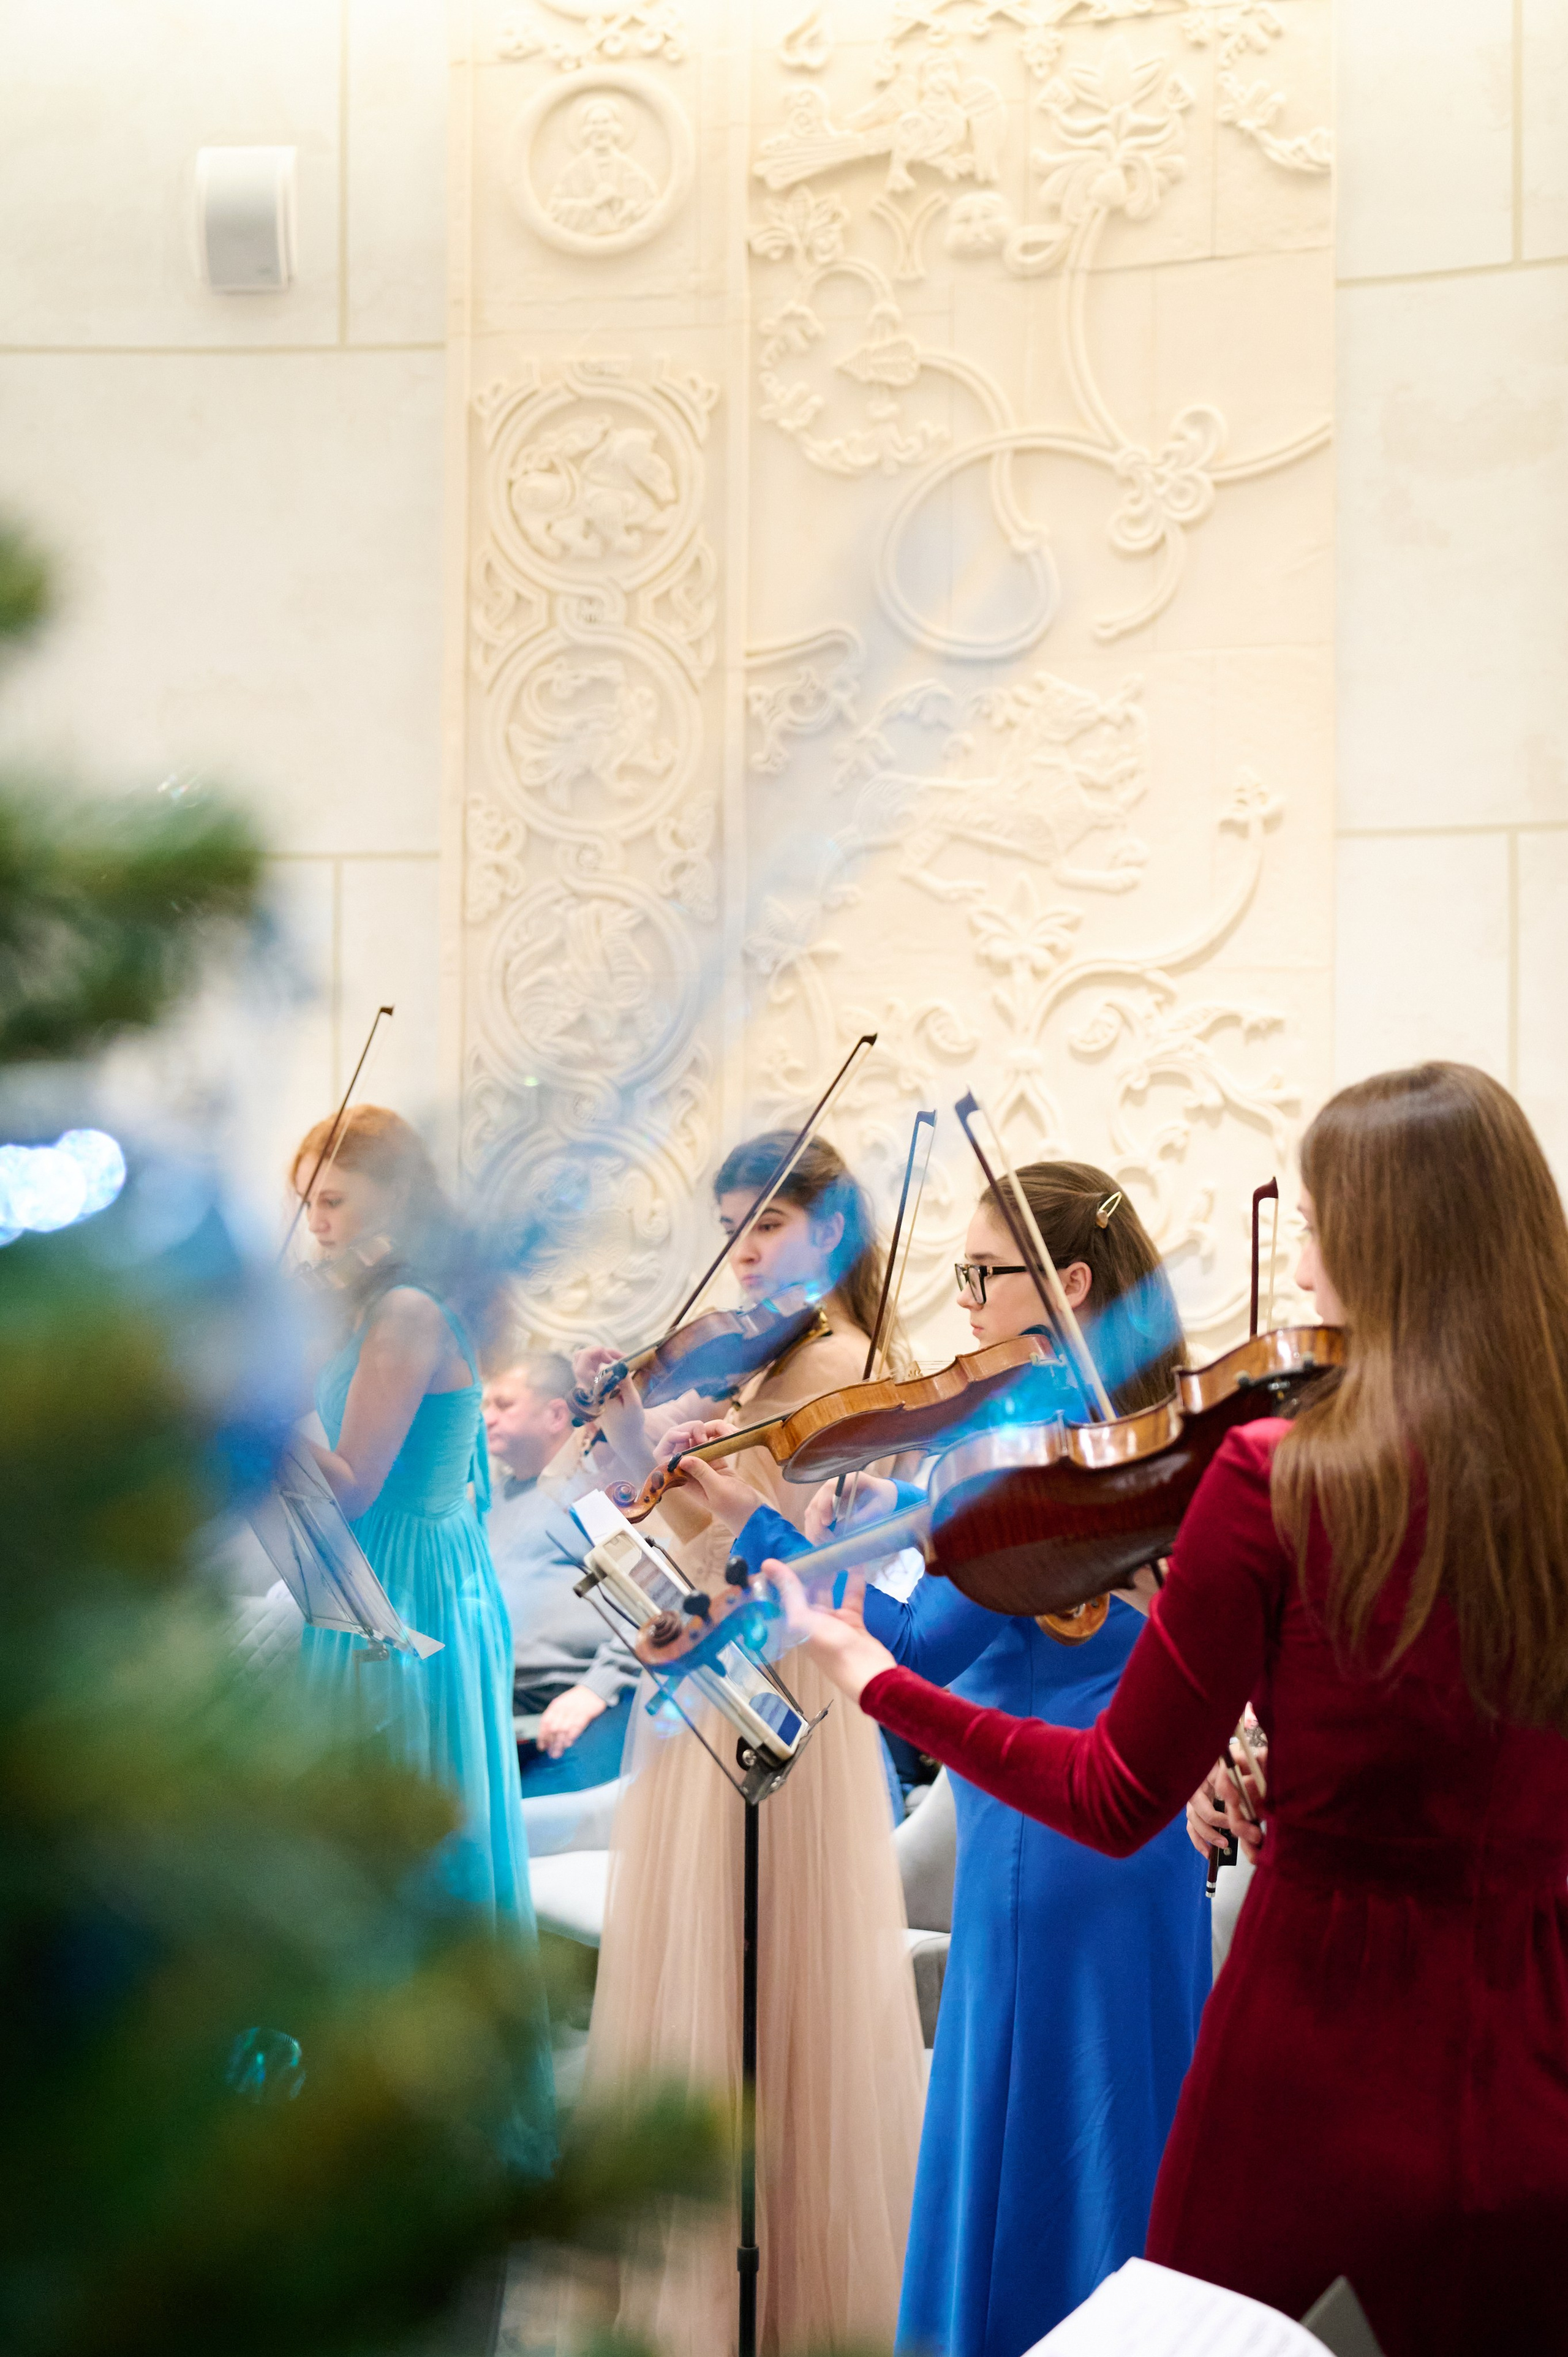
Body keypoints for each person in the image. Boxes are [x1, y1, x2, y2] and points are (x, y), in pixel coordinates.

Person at [780, 1063, 1568, 2357]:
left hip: (1314, 2045)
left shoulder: (1276, 1475)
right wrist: (1285, 1738)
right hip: (1531, 2041)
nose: (1301, 1268)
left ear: (1377, 1243)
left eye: (1312, 1226)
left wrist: (878, 1681)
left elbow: (1109, 1795)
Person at [697, 1162, 1210, 2355]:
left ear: (1067, 1282)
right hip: (1135, 1841)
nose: (964, 1307)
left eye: (983, 1276)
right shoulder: (1142, 1417)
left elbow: (922, 1650)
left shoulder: (1016, 1446)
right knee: (1117, 2128)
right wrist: (897, 1515)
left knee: (1030, 2145)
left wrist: (759, 1528)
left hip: (1039, 1837)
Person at [568, 1133, 925, 2357]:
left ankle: (791, 2297)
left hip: (788, 1679)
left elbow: (841, 1548)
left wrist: (711, 1477)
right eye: (727, 1226)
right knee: (695, 1978)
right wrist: (619, 1419)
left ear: (830, 1231)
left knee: (779, 1980)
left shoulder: (856, 1364)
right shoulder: (736, 1359)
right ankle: (690, 2292)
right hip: (695, 1681)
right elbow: (657, 1504)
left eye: (761, 1226)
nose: (739, 1251)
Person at [290, 1107, 552, 2152]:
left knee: (395, 1835)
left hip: (398, 1591)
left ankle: (411, 2111)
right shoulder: (378, 1304)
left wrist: (260, 1392)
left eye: (330, 1200)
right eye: (305, 1203)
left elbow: (349, 1486)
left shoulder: (403, 1307)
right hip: (414, 1581)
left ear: (389, 1197)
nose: (311, 1225)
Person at [483, 1352, 638, 1795]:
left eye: (503, 1405)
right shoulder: (486, 1503)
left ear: (554, 1414)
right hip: (497, 1708)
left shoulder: (595, 1491)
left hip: (577, 1708)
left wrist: (596, 1688)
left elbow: (656, 1600)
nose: (487, 1419)